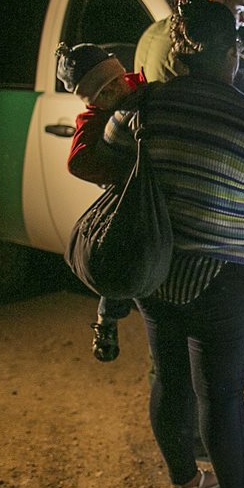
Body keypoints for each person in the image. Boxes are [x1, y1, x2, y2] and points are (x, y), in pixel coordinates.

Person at [111, 0, 244, 488]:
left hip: (157, 268)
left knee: (169, 381)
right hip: (226, 277)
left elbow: (113, 151)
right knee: (220, 393)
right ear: (231, 53)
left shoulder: (146, 106)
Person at [55, 43, 148, 361]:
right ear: (92, 100)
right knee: (118, 245)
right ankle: (107, 320)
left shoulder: (143, 86)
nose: (115, 92)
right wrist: (118, 173)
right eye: (104, 93)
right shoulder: (93, 119)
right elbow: (77, 160)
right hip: (126, 193)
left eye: (116, 82)